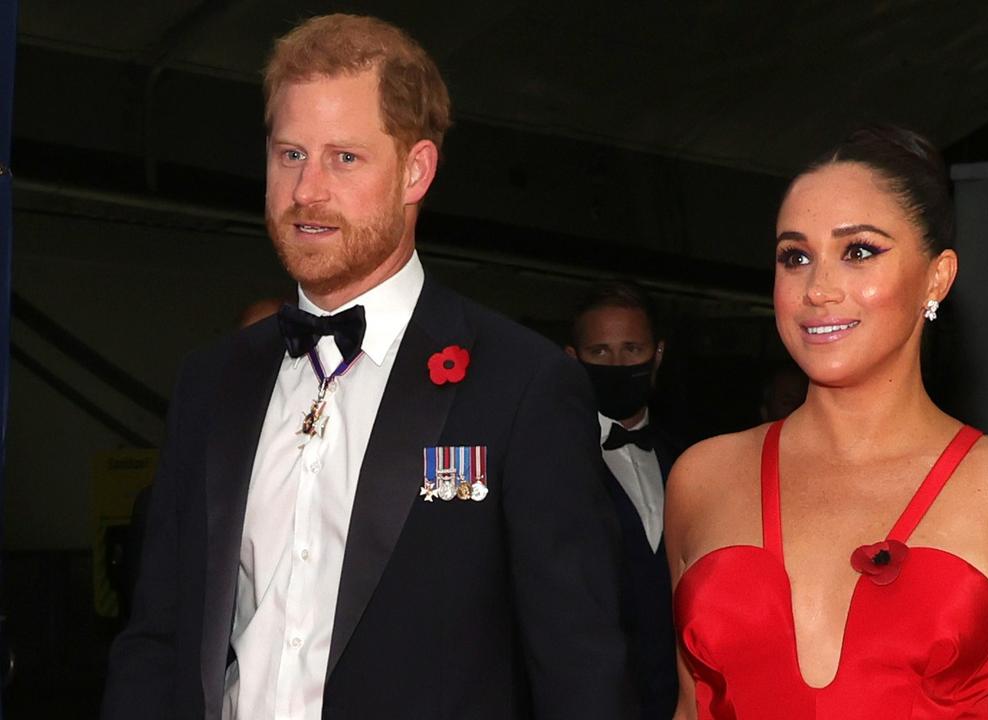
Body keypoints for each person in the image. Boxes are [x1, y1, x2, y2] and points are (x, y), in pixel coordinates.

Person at [101, 14, 636, 720]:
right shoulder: (212, 380)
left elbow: (580, 673)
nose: (306, 191)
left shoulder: (520, 386)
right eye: (289, 154)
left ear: (415, 170)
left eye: (343, 158)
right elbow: (158, 637)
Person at [665, 125, 988, 719]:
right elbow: (691, 707)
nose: (818, 289)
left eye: (859, 251)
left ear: (937, 277)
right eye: (795, 257)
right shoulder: (703, 478)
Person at [564, 280, 680, 720]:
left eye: (632, 349)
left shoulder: (690, 461)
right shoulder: (546, 462)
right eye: (601, 352)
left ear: (657, 355)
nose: (617, 363)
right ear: (574, 360)